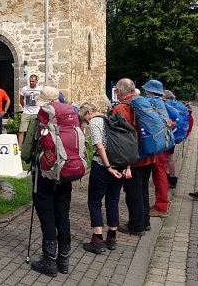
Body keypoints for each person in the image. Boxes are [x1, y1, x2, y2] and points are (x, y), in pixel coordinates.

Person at [21, 85, 71, 277]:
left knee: (47, 216)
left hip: (44, 174)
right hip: (66, 173)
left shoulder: (39, 119)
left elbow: (26, 151)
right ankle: (64, 261)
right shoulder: (69, 118)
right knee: (63, 215)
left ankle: (49, 262)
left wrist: (28, 159)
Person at [79, 102, 126, 254]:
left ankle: (97, 240)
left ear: (89, 112)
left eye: (84, 118)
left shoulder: (95, 122)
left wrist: (107, 167)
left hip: (102, 166)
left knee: (95, 201)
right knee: (113, 200)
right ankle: (112, 238)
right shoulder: (112, 119)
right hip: (119, 163)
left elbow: (99, 147)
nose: (85, 122)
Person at [114, 79, 153, 237]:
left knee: (133, 192)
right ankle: (145, 222)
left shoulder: (121, 108)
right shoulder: (143, 103)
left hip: (133, 159)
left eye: (117, 90)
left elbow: (117, 135)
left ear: (120, 91)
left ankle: (136, 226)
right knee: (143, 190)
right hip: (148, 154)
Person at [141, 79, 170, 217]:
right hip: (164, 142)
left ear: (149, 90)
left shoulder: (150, 101)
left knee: (159, 175)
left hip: (156, 144)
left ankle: (161, 207)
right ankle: (162, 203)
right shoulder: (164, 102)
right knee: (160, 174)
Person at [18, 74, 42, 149]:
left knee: (35, 131)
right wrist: (24, 107)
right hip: (26, 112)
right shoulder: (24, 89)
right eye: (30, 81)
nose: (31, 83)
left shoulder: (40, 89)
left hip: (36, 112)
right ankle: (19, 148)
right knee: (21, 130)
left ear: (36, 81)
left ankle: (34, 147)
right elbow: (21, 100)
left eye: (33, 81)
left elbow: (42, 100)